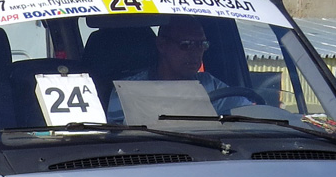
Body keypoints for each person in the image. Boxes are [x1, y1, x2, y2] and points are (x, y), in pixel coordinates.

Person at [107, 17, 253, 120]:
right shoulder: (128, 90)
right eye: (186, 44)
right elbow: (120, 139)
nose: (196, 53)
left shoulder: (210, 85)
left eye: (202, 44)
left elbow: (249, 113)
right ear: (161, 45)